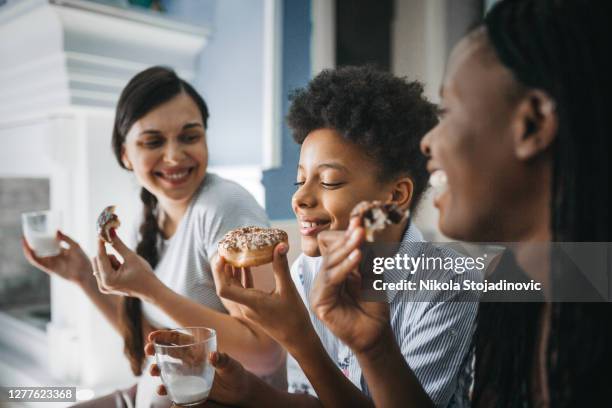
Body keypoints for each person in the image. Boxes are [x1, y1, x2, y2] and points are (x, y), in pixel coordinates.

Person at [309, 0, 611, 407]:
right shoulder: (515, 292)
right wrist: (375, 348)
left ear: (534, 123)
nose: (427, 143)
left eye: (448, 112)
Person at [147, 66, 479, 407]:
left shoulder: (446, 283)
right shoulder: (305, 271)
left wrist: (301, 339)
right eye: (299, 180)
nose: (300, 199)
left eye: (329, 181)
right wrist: (249, 392)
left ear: (395, 197)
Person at [22, 67, 283, 407]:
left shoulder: (224, 208)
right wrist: (84, 275)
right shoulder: (150, 214)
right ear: (125, 155)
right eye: (153, 142)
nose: (174, 156)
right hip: (147, 393)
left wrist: (152, 290)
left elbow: (265, 355)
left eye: (190, 136)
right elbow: (154, 343)